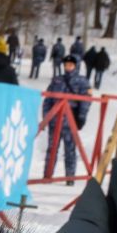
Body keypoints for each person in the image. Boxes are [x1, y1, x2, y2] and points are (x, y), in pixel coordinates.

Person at [41, 53, 92, 181]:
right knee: (51, 149)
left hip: (70, 121)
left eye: (71, 65)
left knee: (70, 150)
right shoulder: (57, 80)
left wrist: (81, 117)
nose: (68, 67)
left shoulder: (82, 81)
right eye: (66, 65)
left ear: (76, 66)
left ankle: (70, 177)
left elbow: (86, 101)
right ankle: (47, 175)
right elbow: (48, 99)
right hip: (55, 120)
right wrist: (46, 116)